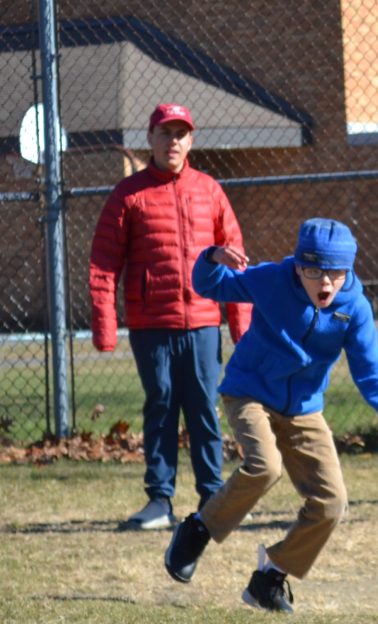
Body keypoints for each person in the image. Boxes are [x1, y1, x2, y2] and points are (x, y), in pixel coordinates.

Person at [163, 217, 378, 613]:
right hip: (249, 391)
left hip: (303, 409)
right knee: (265, 466)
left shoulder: (355, 309)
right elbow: (209, 284)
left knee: (331, 503)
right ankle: (198, 529)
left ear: (348, 270)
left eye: (335, 272)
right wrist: (212, 256)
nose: (325, 282)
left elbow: (371, 364)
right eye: (314, 271)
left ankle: (270, 578)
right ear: (298, 266)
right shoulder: (271, 280)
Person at [89, 103, 251, 530]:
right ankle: (159, 502)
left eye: (181, 133)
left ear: (191, 141)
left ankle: (212, 499)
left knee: (202, 407)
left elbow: (236, 265)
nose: (173, 140)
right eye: (165, 132)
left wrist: (242, 328)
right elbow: (104, 262)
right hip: (151, 325)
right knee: (160, 405)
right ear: (151, 138)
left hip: (201, 324)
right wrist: (105, 326)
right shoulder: (128, 195)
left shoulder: (210, 191)